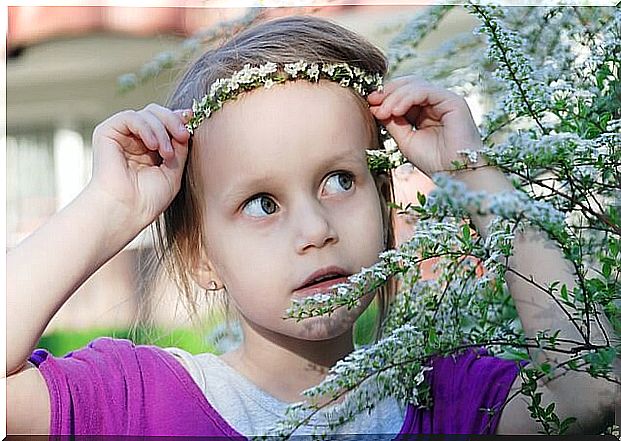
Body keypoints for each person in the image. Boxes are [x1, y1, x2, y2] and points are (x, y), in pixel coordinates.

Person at [6, 14, 618, 437]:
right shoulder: (137, 402)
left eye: (339, 181)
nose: (314, 227)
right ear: (200, 259)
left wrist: (473, 171)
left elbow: (592, 392)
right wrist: (108, 208)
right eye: (262, 203)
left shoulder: (443, 397)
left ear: (385, 203)